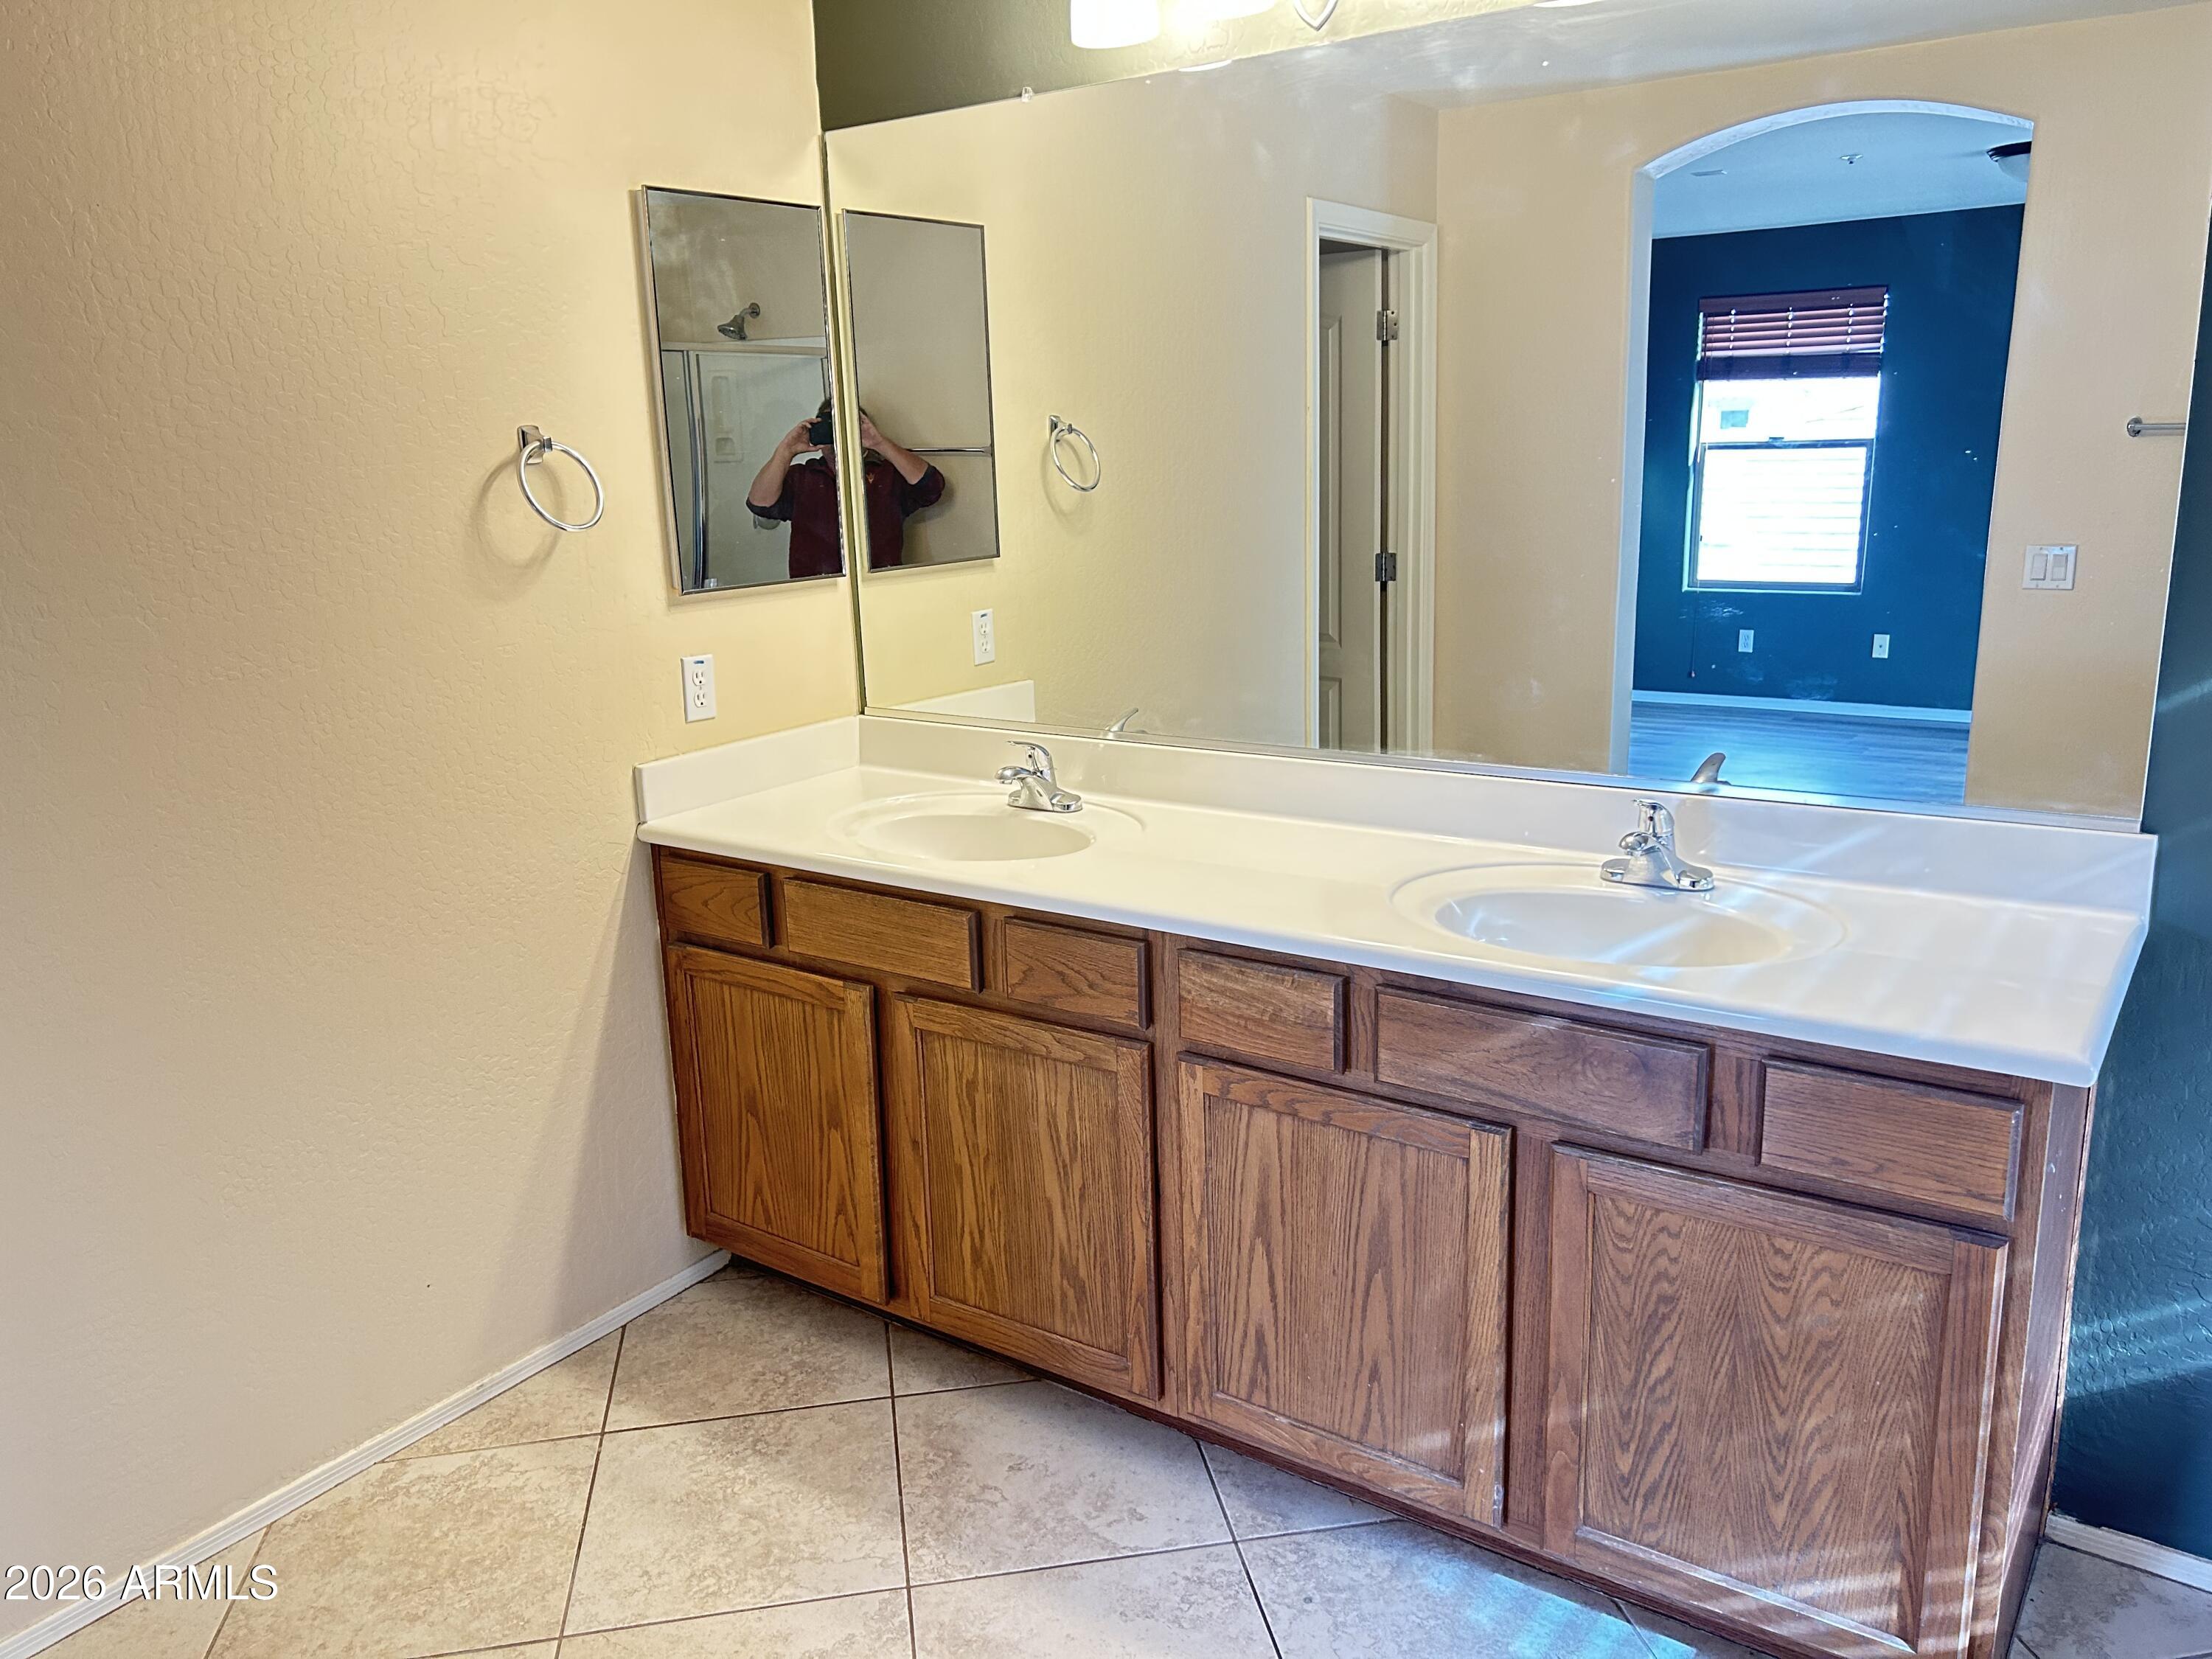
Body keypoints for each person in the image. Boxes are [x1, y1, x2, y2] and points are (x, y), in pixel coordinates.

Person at [747, 400, 947, 579]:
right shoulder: (802, 477)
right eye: (830, 429)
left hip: (878, 586)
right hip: (813, 592)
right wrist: (786, 450)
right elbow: (760, 504)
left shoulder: (887, 476)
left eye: (846, 429)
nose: (838, 440)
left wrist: (879, 443)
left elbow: (932, 487)